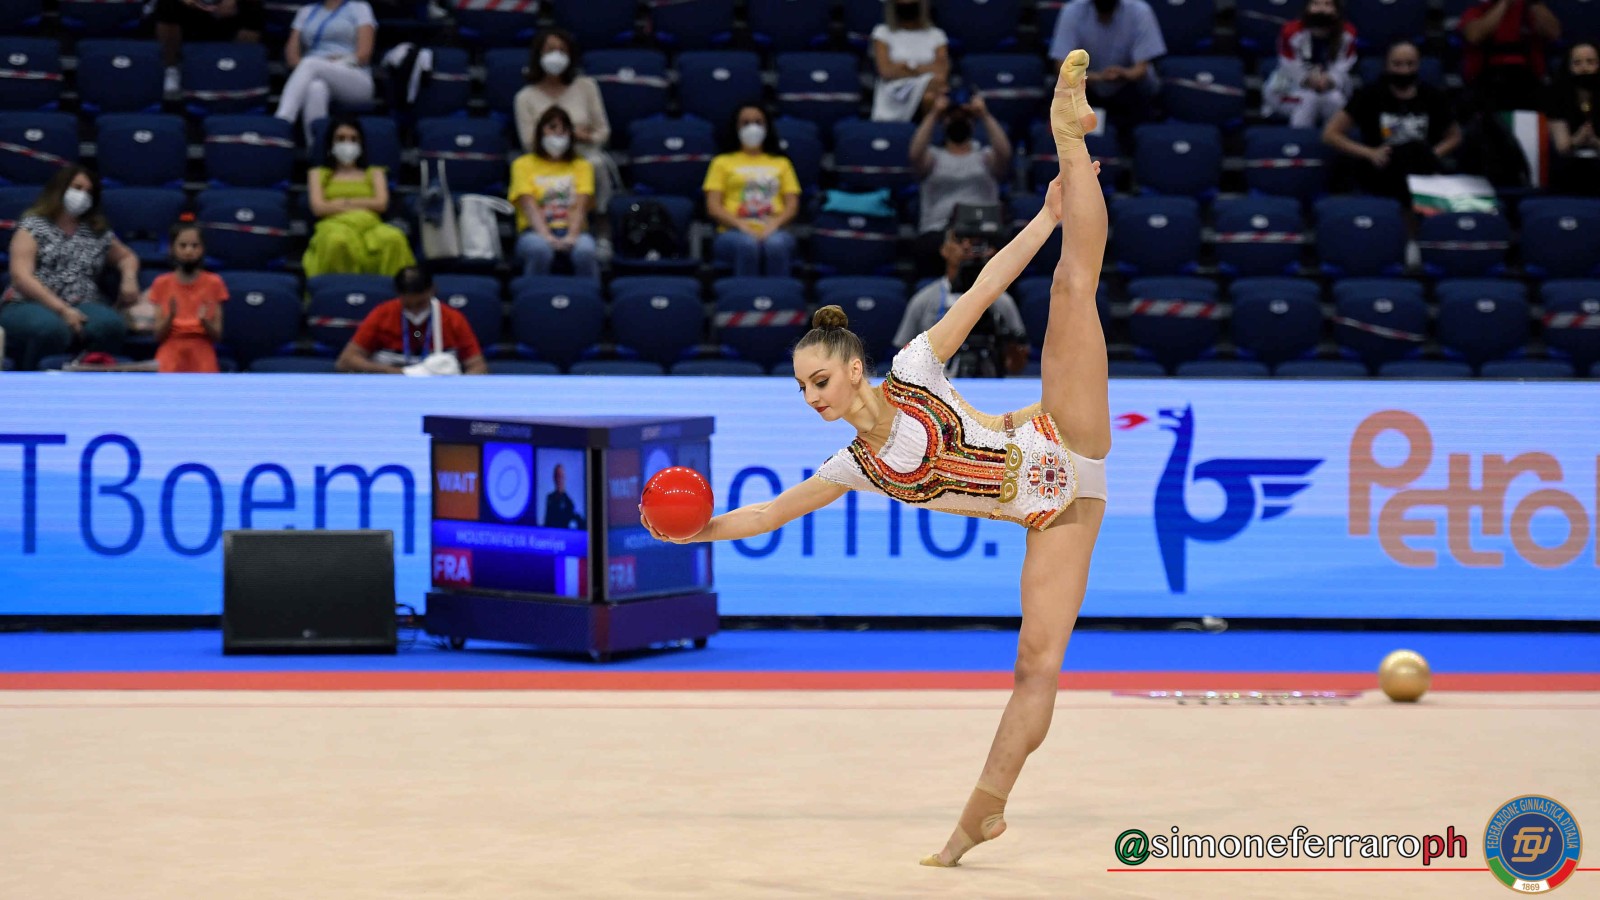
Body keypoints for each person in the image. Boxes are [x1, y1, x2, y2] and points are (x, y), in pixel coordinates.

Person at [642, 50, 1112, 869]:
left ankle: (1068, 132)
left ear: (855, 369)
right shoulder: (855, 466)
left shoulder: (917, 366)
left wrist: (1045, 219)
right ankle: (980, 818)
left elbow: (985, 286)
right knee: (1034, 668)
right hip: (1055, 515)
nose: (812, 396)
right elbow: (768, 512)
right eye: (801, 388)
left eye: (820, 381)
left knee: (1073, 285)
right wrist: (696, 532)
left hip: (1060, 433)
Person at [1, 166, 137, 371]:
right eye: (77, 188)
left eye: (89, 192)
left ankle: (94, 378)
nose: (83, 195)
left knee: (110, 325)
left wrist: (129, 278)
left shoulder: (95, 230)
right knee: (51, 330)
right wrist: (63, 310)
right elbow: (21, 276)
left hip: (83, 300)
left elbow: (126, 257)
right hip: (29, 301)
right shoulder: (33, 226)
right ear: (60, 189)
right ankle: (35, 380)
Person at [895, 206, 1034, 378]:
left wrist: (1010, 345)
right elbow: (901, 361)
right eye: (960, 240)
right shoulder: (923, 300)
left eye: (976, 243)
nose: (967, 247)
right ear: (944, 249)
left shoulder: (1002, 302)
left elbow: (1017, 365)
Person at [1322, 41, 1462, 204]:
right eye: (1397, 64)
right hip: (1381, 171)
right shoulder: (1369, 95)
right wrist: (1369, 153)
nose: (1404, 70)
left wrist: (1432, 155)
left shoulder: (1433, 96)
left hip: (1422, 173)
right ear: (1387, 65)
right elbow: (1330, 134)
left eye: (1410, 64)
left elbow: (1455, 136)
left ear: (1418, 65)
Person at [910, 92, 1012, 279]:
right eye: (952, 118)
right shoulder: (933, 157)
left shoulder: (985, 157)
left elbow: (1005, 154)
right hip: (939, 230)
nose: (958, 121)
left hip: (984, 229)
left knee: (1007, 247)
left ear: (972, 124)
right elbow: (914, 154)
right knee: (925, 247)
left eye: (964, 118)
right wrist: (934, 113)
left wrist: (984, 114)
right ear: (944, 123)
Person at [302, 116, 415, 279]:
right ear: (331, 144)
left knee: (393, 238)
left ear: (361, 145)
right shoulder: (318, 174)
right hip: (335, 226)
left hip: (371, 227)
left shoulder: (375, 172)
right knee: (337, 241)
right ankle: (340, 290)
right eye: (341, 139)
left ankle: (391, 291)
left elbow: (381, 204)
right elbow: (319, 208)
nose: (347, 144)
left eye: (353, 139)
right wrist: (365, 203)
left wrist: (342, 202)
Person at [513, 28, 614, 207]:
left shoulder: (586, 86)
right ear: (539, 55)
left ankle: (600, 215)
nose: (556, 56)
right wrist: (561, 136)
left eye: (562, 50)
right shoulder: (525, 97)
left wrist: (584, 137)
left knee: (596, 163)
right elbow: (528, 143)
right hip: (544, 158)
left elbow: (603, 131)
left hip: (583, 153)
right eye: (550, 50)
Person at [1048, 0, 1167, 147]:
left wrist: (1124, 74)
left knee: (1143, 105)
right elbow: (1062, 68)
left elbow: (1141, 69)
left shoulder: (1140, 11)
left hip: (1127, 88)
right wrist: (1099, 77)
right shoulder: (1072, 11)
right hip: (1086, 89)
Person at [703, 105, 801, 277]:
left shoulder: (782, 163)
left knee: (776, 245)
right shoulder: (721, 162)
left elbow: (792, 205)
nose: (752, 127)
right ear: (736, 127)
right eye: (745, 123)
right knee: (748, 245)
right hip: (732, 231)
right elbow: (713, 206)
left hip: (775, 229)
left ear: (767, 127)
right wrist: (741, 225)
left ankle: (778, 292)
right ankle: (746, 291)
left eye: (758, 122)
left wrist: (773, 225)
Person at [336, 266, 488, 374]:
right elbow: (346, 360)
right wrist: (396, 372)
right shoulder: (382, 314)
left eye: (420, 303)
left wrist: (458, 386)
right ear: (398, 295)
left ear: (432, 291)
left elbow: (477, 366)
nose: (415, 310)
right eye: (408, 305)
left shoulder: (453, 319)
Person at [511, 107, 599, 281]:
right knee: (540, 249)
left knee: (586, 250)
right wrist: (547, 236)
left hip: (574, 230)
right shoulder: (522, 164)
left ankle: (589, 294)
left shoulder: (582, 165)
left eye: (564, 129)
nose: (558, 134)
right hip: (533, 231)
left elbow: (580, 206)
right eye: (552, 127)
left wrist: (571, 236)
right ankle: (533, 292)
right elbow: (529, 205)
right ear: (540, 132)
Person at [274, 0, 378, 143]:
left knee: (311, 63)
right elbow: (292, 58)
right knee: (315, 88)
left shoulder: (360, 8)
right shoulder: (306, 11)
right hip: (313, 71)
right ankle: (316, 147)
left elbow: (364, 54)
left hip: (354, 75)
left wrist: (335, 63)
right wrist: (316, 67)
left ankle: (282, 120)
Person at [1261, 0, 1359, 129]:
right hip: (1292, 88)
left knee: (1335, 99)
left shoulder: (1347, 33)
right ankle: (1300, 139)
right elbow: (1289, 64)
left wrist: (1329, 79)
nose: (1321, 9)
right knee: (1309, 99)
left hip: (1330, 87)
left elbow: (1344, 65)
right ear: (1307, 8)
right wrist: (1307, 79)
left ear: (1336, 11)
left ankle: (1335, 138)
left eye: (1328, 4)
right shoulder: (1291, 31)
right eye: (1316, 4)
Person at [147, 222, 227, 373]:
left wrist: (204, 322)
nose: (189, 251)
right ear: (172, 249)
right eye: (182, 246)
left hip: (202, 349)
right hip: (170, 350)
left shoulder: (214, 282)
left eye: (195, 246)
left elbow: (217, 336)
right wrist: (170, 317)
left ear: (202, 249)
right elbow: (158, 336)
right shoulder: (161, 283)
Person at [1459, 0, 1561, 112]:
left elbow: (1554, 33)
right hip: (1487, 86)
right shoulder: (1478, 11)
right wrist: (1504, 3)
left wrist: (1534, 3)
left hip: (1528, 86)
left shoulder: (1532, 11)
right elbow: (1474, 36)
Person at [155, 0, 264, 97]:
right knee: (168, 4)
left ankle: (238, 67)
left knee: (252, 5)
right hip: (192, 9)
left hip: (229, 9)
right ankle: (171, 68)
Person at [870, 0, 950, 121]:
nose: (907, 7)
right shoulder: (882, 32)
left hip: (930, 86)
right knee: (934, 89)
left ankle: (930, 130)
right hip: (895, 89)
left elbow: (941, 72)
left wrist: (907, 67)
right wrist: (926, 69)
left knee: (930, 96)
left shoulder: (936, 34)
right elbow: (886, 71)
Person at [1546, 42, 1600, 194]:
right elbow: (1562, 147)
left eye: (1590, 62)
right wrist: (1578, 139)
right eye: (1577, 63)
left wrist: (1595, 142)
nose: (1584, 68)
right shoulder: (1557, 98)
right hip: (1569, 167)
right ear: (1568, 67)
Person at [543, 464, 585, 529]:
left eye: (561, 476)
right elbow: (547, 521)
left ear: (564, 478)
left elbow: (579, 521)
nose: (559, 479)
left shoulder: (569, 502)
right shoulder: (549, 498)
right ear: (554, 478)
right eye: (557, 476)